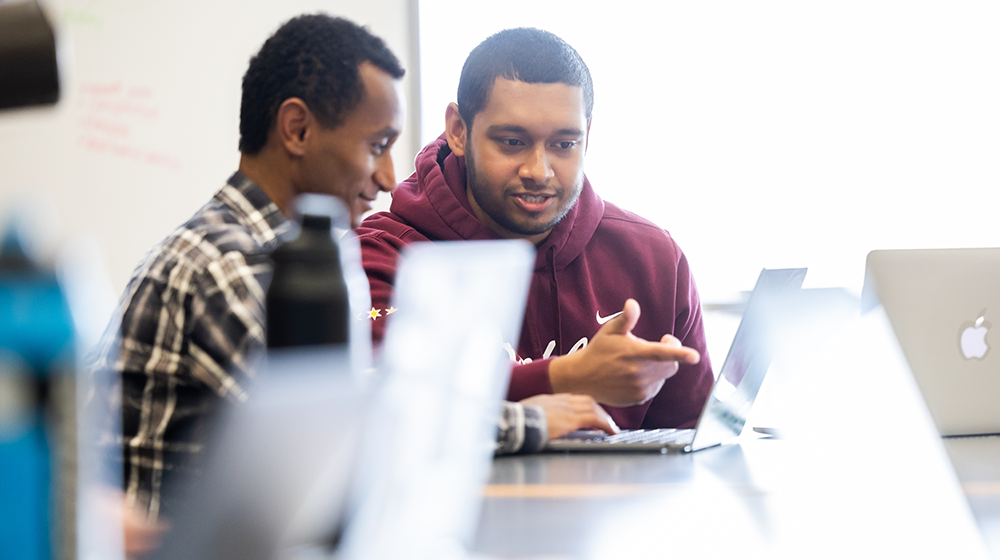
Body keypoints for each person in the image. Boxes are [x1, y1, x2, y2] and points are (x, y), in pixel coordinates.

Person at [88, 14, 405, 521]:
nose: (389, 177)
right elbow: (335, 446)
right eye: (377, 146)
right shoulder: (227, 264)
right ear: (297, 130)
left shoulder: (283, 253)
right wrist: (524, 419)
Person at [357, 28, 715, 436]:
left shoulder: (654, 258)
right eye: (512, 141)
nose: (538, 171)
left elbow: (695, 439)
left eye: (564, 144)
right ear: (458, 130)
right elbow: (382, 406)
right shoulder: (378, 257)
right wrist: (567, 376)